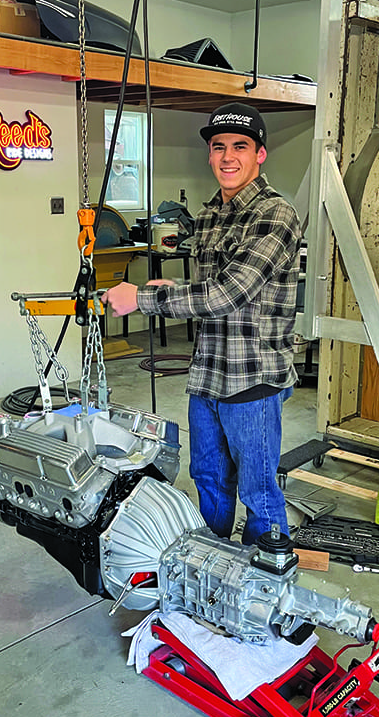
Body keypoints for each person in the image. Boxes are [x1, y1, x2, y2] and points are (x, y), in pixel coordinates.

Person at [103, 102, 302, 545]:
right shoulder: (211, 213)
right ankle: (206, 572)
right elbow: (211, 286)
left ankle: (262, 588)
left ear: (260, 154)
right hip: (208, 375)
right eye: (218, 147)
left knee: (259, 491)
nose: (228, 157)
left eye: (240, 147)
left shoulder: (275, 214)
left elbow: (228, 294)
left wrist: (141, 297)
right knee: (208, 480)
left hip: (252, 381)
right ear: (210, 154)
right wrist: (170, 283)